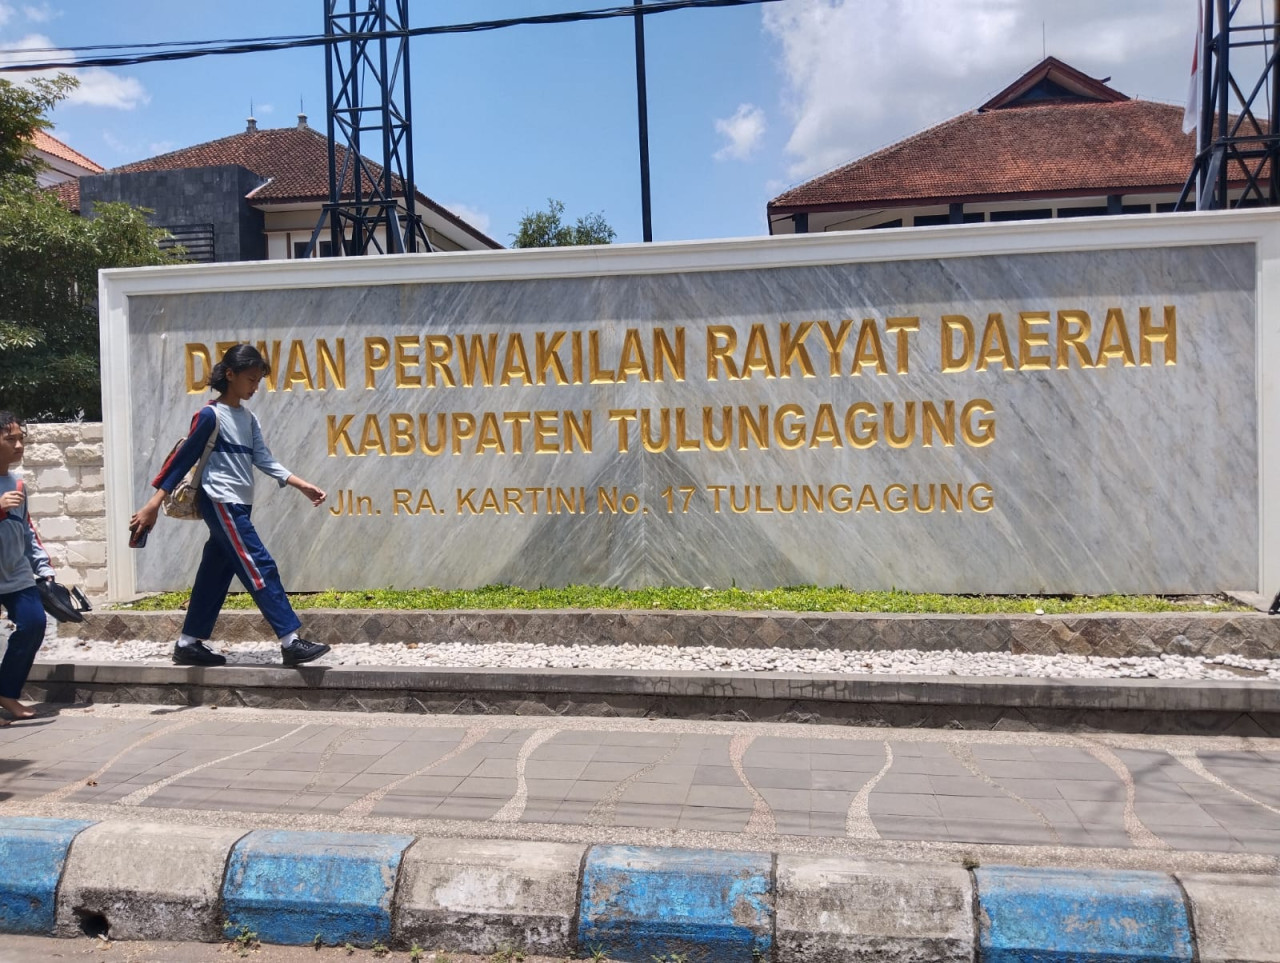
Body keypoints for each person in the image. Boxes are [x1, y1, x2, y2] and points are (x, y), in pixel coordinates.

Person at [130, 343, 331, 668]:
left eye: (258, 381)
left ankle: (188, 643)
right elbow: (182, 460)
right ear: (229, 374)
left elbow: (263, 459)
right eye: (250, 379)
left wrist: (301, 485)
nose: (255, 387)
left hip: (240, 505)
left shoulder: (248, 419)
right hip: (221, 501)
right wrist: (153, 504)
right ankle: (290, 641)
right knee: (259, 564)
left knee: (215, 573)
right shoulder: (210, 415)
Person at [0, 412, 55, 722]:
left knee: (33, 624)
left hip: (17, 573)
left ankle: (7, 692)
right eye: (11, 439)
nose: (19, 445)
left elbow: (26, 529)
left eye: (21, 439)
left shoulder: (17, 483)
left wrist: (43, 567)